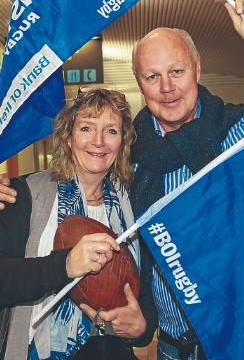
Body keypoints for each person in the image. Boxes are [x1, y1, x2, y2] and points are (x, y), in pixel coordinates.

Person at [0, 0, 244, 360]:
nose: (166, 87)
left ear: (197, 69)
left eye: (176, 72)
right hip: (170, 348)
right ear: (140, 84)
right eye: (152, 76)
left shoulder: (238, 132)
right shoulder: (132, 162)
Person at [0, 89, 155, 360]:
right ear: (68, 138)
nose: (98, 142)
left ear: (123, 142)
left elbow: (146, 286)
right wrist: (64, 265)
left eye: (111, 131)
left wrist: (141, 328)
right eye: (86, 128)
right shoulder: (23, 194)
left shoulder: (133, 201)